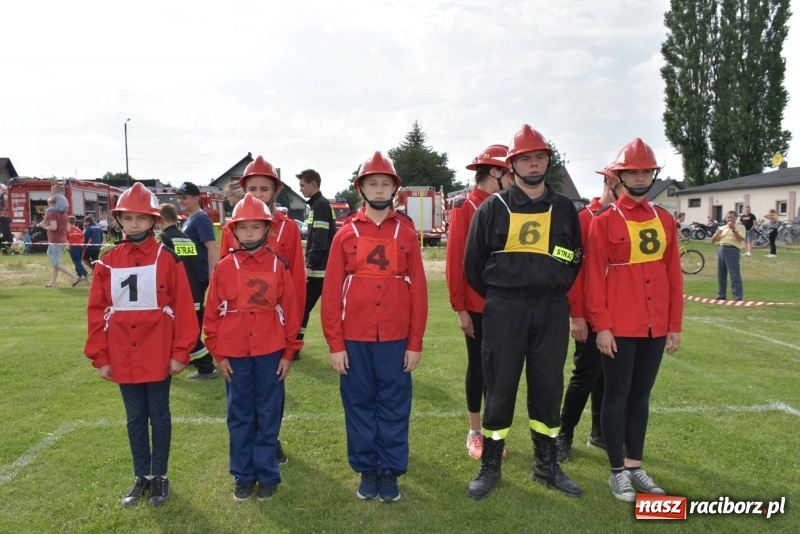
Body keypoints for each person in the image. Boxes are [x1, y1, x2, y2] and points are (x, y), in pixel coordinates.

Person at [463, 125, 583, 500]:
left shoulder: (564, 208)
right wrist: (503, 294)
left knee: (548, 388)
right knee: (499, 388)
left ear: (548, 161)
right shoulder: (492, 207)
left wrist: (550, 277)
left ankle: (546, 466)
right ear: (512, 165)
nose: (533, 164)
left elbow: (573, 257)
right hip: (504, 310)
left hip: (550, 310)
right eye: (525, 159)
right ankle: (491, 466)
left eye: (539, 158)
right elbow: (473, 264)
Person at [321, 151, 428, 503]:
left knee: (395, 406)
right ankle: (368, 468)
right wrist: (336, 344)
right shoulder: (345, 234)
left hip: (396, 338)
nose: (379, 189)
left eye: (385, 183)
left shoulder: (407, 233)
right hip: (355, 338)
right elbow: (331, 292)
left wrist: (415, 343)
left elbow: (420, 292)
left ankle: (390, 470)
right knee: (359, 405)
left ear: (394, 188)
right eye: (373, 183)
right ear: (361, 188)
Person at [84, 182, 198, 508]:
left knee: (159, 415)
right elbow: (96, 312)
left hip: (158, 352)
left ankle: (160, 475)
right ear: (120, 220)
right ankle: (142, 476)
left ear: (153, 221)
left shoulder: (168, 258)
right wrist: (101, 357)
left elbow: (184, 308)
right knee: (135, 417)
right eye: (128, 218)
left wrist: (180, 353)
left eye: (141, 218)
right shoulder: (107, 262)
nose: (134, 224)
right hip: (122, 353)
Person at [585, 138, 683, 502]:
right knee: (617, 396)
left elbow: (673, 275)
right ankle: (616, 472)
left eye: (645, 171)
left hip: (655, 325)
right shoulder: (604, 220)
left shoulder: (665, 219)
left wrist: (674, 325)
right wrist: (603, 326)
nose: (640, 178)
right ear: (620, 176)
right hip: (620, 326)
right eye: (633, 172)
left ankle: (634, 465)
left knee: (640, 397)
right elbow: (593, 277)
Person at [203, 194, 302, 502]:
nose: (248, 233)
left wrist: (289, 352)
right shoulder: (223, 267)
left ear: (266, 230)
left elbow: (292, 312)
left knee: (269, 413)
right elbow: (211, 314)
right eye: (242, 227)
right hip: (234, 354)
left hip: (271, 351)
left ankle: (268, 474)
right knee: (240, 414)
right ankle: (244, 476)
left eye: (255, 228)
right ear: (233, 231)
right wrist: (218, 353)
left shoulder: (278, 265)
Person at [219, 156, 305, 464]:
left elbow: (295, 281)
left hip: (272, 328)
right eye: (251, 188)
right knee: (243, 395)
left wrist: (294, 329)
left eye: (264, 189)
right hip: (239, 330)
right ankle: (248, 446)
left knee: (272, 393)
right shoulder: (235, 228)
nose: (257, 194)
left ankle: (271, 439)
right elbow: (221, 276)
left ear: (275, 191)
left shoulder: (289, 229)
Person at [445, 144, 512, 459]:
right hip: (476, 305)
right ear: (495, 172)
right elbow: (455, 260)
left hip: (508, 304)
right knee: (480, 367)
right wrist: (461, 308)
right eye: (510, 172)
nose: (514, 179)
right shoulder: (466, 206)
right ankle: (475, 432)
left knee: (500, 371)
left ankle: (494, 432)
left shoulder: (511, 206)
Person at [556, 165, 621, 463]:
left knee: (610, 378)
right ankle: (564, 433)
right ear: (610, 182)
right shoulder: (585, 218)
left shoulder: (628, 219)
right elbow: (573, 268)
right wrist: (576, 314)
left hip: (621, 315)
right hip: (591, 314)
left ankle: (600, 433)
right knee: (586, 374)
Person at [176, 181, 219, 379]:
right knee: (190, 320)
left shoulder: (201, 219)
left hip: (198, 278)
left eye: (184, 197)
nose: (181, 201)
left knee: (190, 322)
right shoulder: (189, 219)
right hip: (189, 277)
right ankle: (196, 358)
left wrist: (212, 275)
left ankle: (205, 365)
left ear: (196, 198)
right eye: (179, 197)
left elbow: (211, 247)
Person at [296, 169, 336, 357]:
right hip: (323, 269)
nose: (300, 189)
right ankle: (295, 346)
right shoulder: (318, 205)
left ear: (313, 184)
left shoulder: (320, 205)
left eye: (303, 185)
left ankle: (294, 347)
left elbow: (319, 239)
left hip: (319, 271)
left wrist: (309, 265)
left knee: (302, 308)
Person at [157, 204, 205, 330]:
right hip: (195, 290)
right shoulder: (187, 238)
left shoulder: (165, 239)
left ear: (160, 220)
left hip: (179, 293)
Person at [39, 197, 81, 288]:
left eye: (49, 204)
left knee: (56, 262)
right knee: (56, 262)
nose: (48, 206)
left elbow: (53, 227)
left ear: (53, 204)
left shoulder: (52, 213)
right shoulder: (65, 214)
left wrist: (44, 226)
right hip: (63, 240)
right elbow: (67, 229)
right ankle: (52, 283)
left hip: (55, 240)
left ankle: (74, 276)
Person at [711, 210, 745, 301]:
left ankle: (737, 296)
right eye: (728, 217)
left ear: (736, 218)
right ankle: (721, 294)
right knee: (721, 274)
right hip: (721, 249)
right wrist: (717, 233)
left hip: (732, 250)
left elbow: (739, 239)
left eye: (732, 217)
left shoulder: (740, 227)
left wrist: (733, 229)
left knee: (734, 274)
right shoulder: (722, 227)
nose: (729, 219)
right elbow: (712, 241)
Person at [67, 216, 89, 281]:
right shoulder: (79, 230)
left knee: (76, 261)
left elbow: (66, 239)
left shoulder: (68, 230)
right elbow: (83, 239)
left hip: (73, 247)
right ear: (75, 221)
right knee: (78, 260)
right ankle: (79, 274)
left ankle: (84, 273)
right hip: (81, 246)